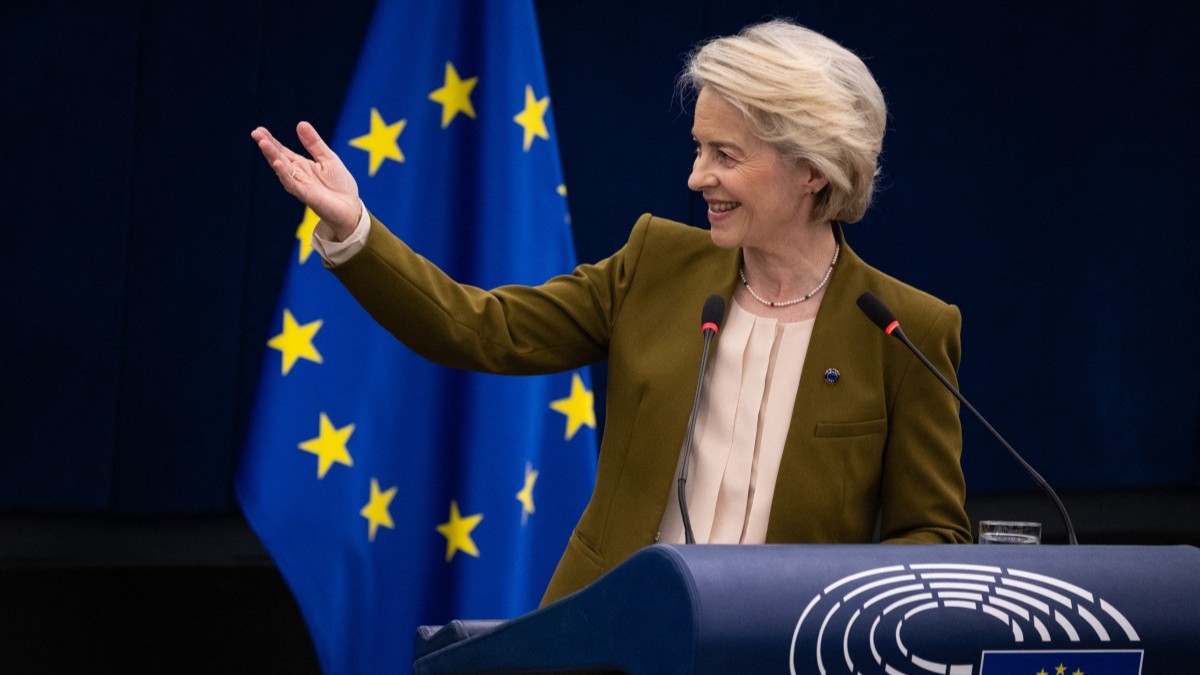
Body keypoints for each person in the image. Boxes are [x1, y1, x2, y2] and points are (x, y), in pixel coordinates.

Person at [251, 19, 971, 606]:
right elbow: (481, 328)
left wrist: (827, 597)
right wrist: (356, 233)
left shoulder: (904, 328)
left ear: (813, 168)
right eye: (698, 148)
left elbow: (933, 534)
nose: (698, 177)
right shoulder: (656, 264)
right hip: (611, 646)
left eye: (725, 154)